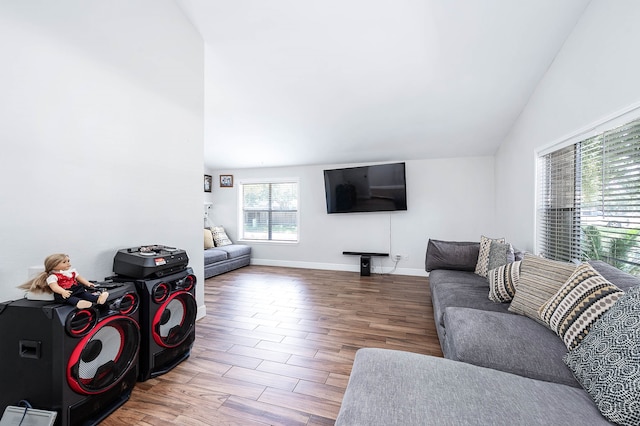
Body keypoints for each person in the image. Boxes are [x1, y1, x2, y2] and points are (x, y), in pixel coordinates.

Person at [19, 253, 108, 309]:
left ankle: (98, 299)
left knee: (84, 294)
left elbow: (79, 277)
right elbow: (54, 287)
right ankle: (79, 303)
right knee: (70, 299)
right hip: (65, 293)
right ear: (53, 265)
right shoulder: (53, 276)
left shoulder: (71, 272)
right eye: (64, 262)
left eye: (68, 261)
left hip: (76, 289)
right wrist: (63, 291)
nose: (68, 263)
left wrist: (88, 283)